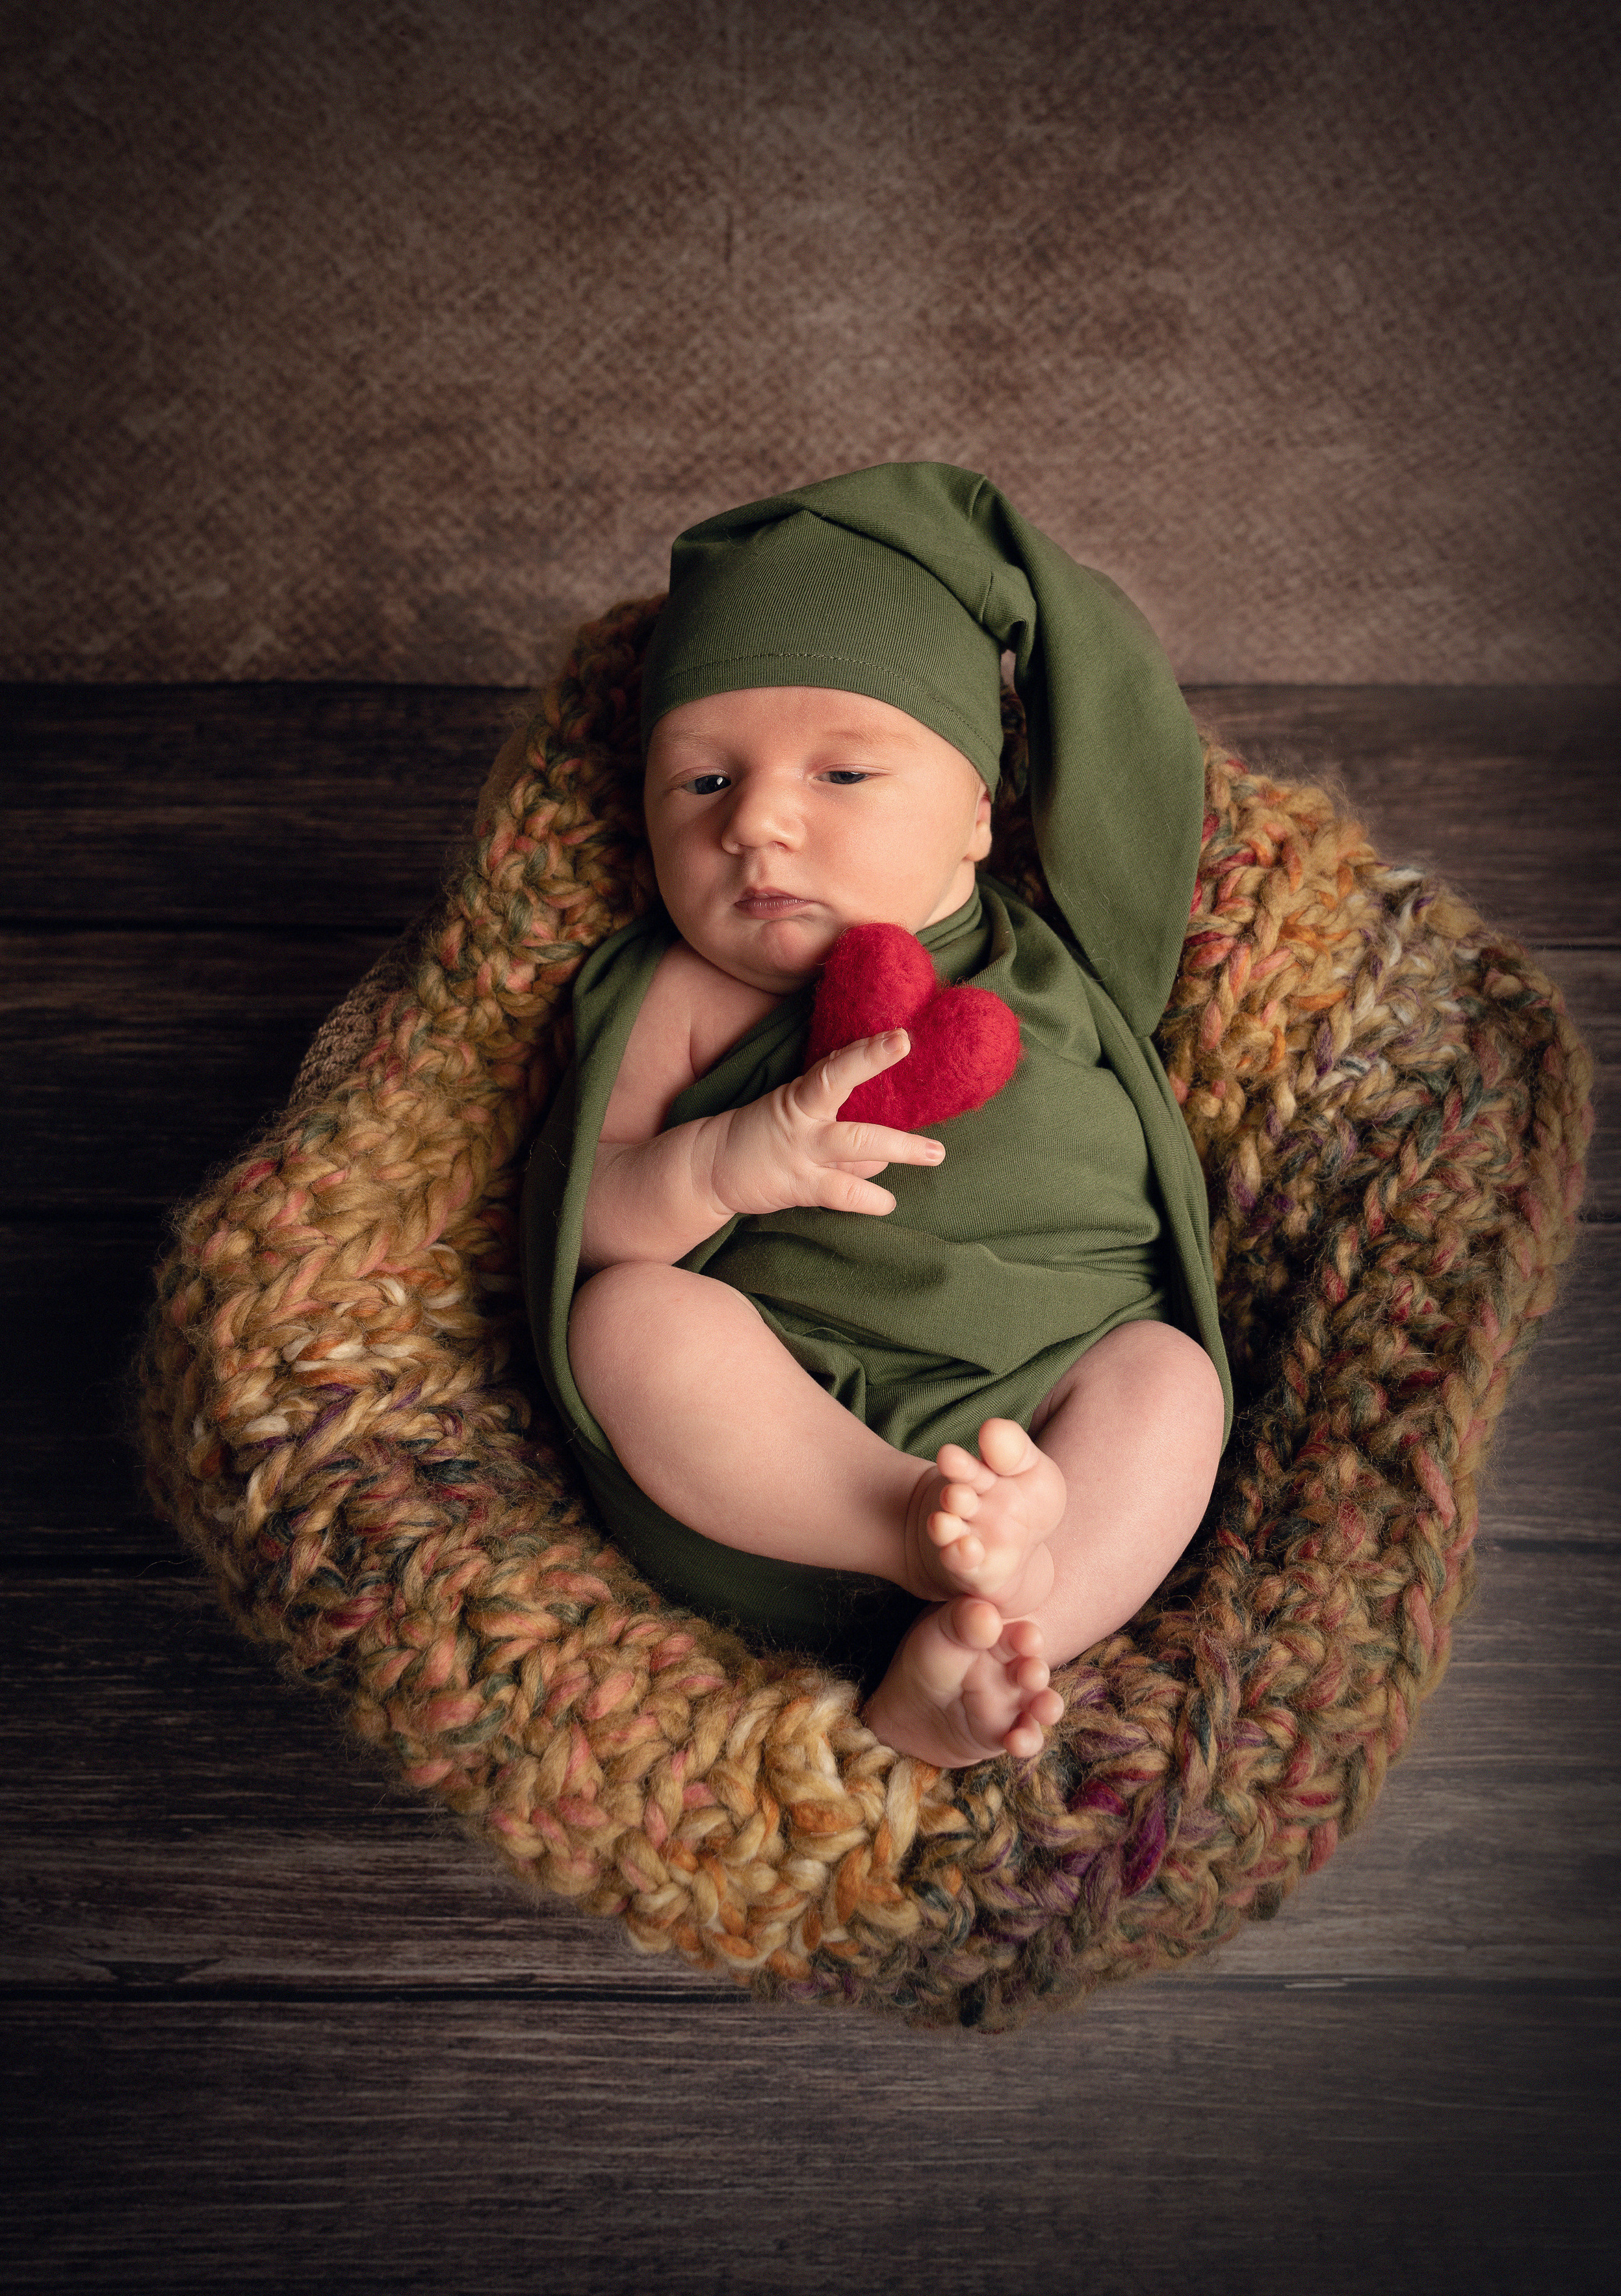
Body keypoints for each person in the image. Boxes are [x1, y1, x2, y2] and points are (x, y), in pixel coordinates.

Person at [521, 464, 1232, 1768]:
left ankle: (991, 1637)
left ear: (976, 816)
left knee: (1172, 1381)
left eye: (843, 770)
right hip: (780, 1455)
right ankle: (915, 1533)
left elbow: (1134, 784)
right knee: (627, 1321)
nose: (758, 822)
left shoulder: (1046, 953)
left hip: (1047, 1424)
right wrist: (727, 1163)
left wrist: (1018, 1515)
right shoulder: (681, 992)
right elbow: (591, 1219)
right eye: (698, 784)